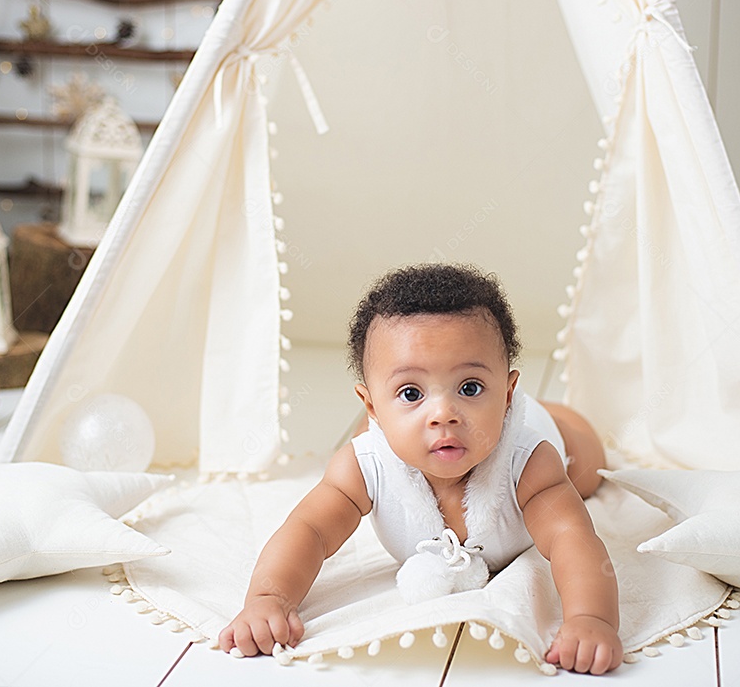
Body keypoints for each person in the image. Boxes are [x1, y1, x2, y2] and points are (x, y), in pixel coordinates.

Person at [219, 263, 623, 675]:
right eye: (411, 392)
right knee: (382, 443)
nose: (444, 413)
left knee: (589, 469)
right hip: (410, 429)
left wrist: (591, 619)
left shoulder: (531, 462)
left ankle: (543, 412)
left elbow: (572, 537)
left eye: (469, 387)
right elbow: (310, 530)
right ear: (371, 405)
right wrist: (269, 599)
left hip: (541, 428)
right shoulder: (363, 467)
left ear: (506, 394)